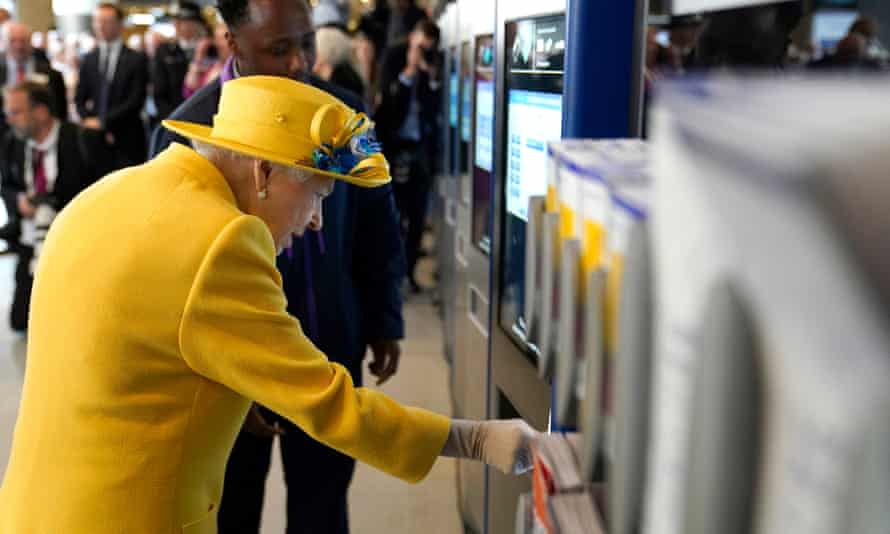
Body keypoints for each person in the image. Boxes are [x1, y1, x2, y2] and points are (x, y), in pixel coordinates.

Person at [0, 74, 538, 533]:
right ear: (263, 173)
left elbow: (126, 352)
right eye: (319, 194)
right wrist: (477, 439)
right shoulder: (223, 242)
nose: (316, 221)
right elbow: (330, 404)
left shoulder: (109, 193)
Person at [150, 1, 408, 532]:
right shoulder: (189, 130)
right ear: (232, 43)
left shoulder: (343, 117)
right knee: (232, 509)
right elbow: (169, 270)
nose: (299, 63)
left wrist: (384, 321)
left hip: (328, 350)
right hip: (229, 371)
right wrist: (228, 378)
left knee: (323, 504)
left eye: (306, 42)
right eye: (279, 47)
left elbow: (377, 226)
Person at [0, 81, 111, 332]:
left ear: (40, 112)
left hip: (75, 241)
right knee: (21, 322)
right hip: (31, 240)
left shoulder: (82, 139)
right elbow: (6, 185)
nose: (9, 119)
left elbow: (110, 188)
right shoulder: (13, 143)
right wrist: (18, 200)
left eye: (16, 112)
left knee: (73, 320)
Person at [374, 19, 442, 294]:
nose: (424, 52)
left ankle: (410, 273)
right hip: (394, 148)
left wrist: (432, 78)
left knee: (416, 217)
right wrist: (408, 73)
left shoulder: (432, 64)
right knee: (394, 216)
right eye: (420, 47)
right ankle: (391, 276)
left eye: (428, 48)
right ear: (412, 38)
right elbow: (386, 110)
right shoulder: (393, 56)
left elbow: (435, 109)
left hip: (419, 151)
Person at [75, 2, 148, 167]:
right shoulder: (89, 59)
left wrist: (104, 121)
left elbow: (136, 100)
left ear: (120, 25)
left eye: (106, 21)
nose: (101, 26)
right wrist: (88, 119)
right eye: (97, 21)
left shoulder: (136, 59)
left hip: (128, 135)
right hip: (94, 137)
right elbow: (80, 97)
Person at [0, 22, 68, 123]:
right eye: (13, 41)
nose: (19, 46)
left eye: (23, 41)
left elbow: (60, 112)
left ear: (30, 42)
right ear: (4, 42)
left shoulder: (51, 74)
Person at [153, 1, 208, 120]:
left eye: (186, 22)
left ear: (198, 24)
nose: (179, 26)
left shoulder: (209, 51)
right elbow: (159, 92)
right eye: (177, 21)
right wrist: (171, 120)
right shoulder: (165, 51)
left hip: (203, 117)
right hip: (174, 116)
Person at [183, 22, 231, 98]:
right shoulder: (210, 66)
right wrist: (199, 55)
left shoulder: (238, 67)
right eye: (216, 39)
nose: (218, 44)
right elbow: (188, 92)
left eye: (223, 38)